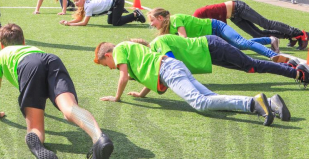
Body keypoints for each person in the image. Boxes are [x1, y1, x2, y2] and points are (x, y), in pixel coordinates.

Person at [0, 23, 113, 159]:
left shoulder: (1, 55)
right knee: (69, 108)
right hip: (51, 59)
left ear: (2, 45)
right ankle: (99, 137)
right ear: (23, 42)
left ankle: (37, 145)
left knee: (36, 128)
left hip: (29, 66)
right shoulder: (32, 48)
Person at [94, 41, 286, 125]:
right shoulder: (130, 51)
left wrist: (117, 97)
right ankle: (270, 102)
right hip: (172, 67)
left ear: (108, 55)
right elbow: (150, 72)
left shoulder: (119, 50)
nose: (110, 68)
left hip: (169, 70)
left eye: (105, 64)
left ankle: (253, 103)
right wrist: (141, 94)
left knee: (200, 103)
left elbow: (123, 76)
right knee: (212, 99)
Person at [132, 35, 309, 91]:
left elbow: (173, 64)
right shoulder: (155, 54)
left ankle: (300, 74)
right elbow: (161, 72)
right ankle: (291, 67)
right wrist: (142, 93)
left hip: (211, 47)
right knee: (251, 67)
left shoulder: (157, 44)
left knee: (253, 65)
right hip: (211, 53)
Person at [148, 8, 288, 62]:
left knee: (242, 43)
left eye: (152, 20)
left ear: (160, 18)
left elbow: (184, 39)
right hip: (211, 37)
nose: (151, 24)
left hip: (216, 27)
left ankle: (272, 55)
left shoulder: (175, 19)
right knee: (240, 46)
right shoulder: (167, 30)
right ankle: (270, 39)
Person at [193, 0, 309, 51]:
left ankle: (300, 33)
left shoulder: (199, 14)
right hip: (234, 16)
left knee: (266, 23)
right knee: (256, 34)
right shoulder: (200, 22)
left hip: (238, 7)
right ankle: (290, 37)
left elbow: (221, 27)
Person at [62, 0, 144, 27]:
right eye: (74, 1)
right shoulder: (85, 5)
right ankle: (120, 11)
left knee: (116, 23)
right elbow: (79, 18)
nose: (76, 3)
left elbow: (84, 23)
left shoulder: (88, 6)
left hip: (117, 0)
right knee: (110, 22)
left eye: (77, 0)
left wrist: (70, 25)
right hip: (113, 2)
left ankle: (135, 14)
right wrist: (68, 22)